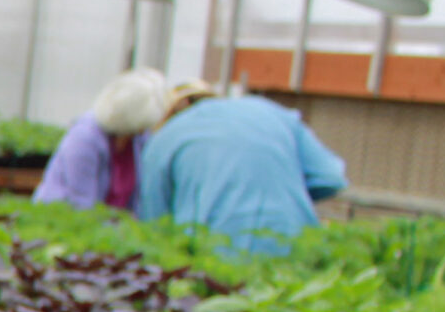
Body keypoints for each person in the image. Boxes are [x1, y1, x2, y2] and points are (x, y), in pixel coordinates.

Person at [136, 80, 347, 255]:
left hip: (213, 252)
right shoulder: (271, 112)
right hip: (291, 243)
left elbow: (155, 222)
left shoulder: (163, 138)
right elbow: (331, 176)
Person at [33, 68, 166, 211]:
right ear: (130, 118)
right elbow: (81, 203)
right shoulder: (84, 138)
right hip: (63, 222)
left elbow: (139, 198)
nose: (144, 130)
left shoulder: (139, 139)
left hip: (113, 227)